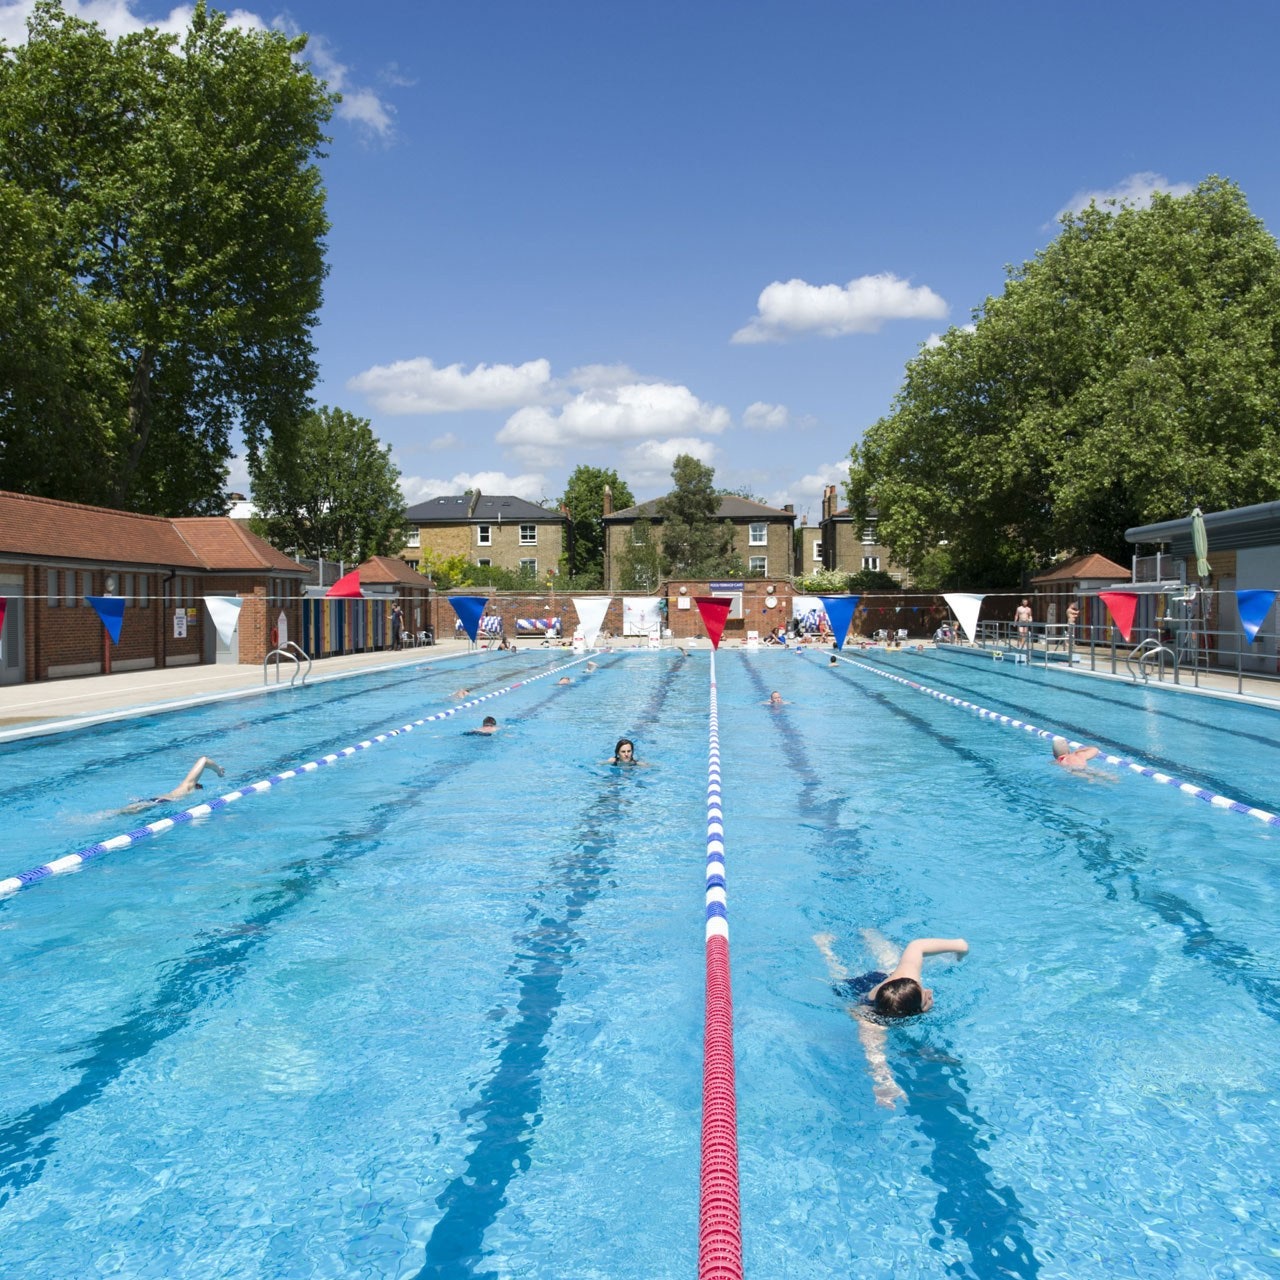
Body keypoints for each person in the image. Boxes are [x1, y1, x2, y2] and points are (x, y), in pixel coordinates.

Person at [816, 931, 969, 1109]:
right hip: (858, 993)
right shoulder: (871, 1023)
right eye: (925, 996)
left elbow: (917, 945)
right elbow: (875, 1054)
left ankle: (870, 934)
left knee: (892, 964)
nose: (930, 992)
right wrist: (885, 1084)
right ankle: (824, 946)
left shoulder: (908, 978)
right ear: (914, 1011)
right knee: (839, 977)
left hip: (886, 985)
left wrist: (960, 947)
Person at [122, 756, 225, 813]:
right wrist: (218, 770)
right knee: (121, 813)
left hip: (157, 800)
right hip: (161, 802)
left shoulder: (183, 789)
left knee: (122, 812)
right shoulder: (188, 786)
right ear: (196, 786)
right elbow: (204, 760)